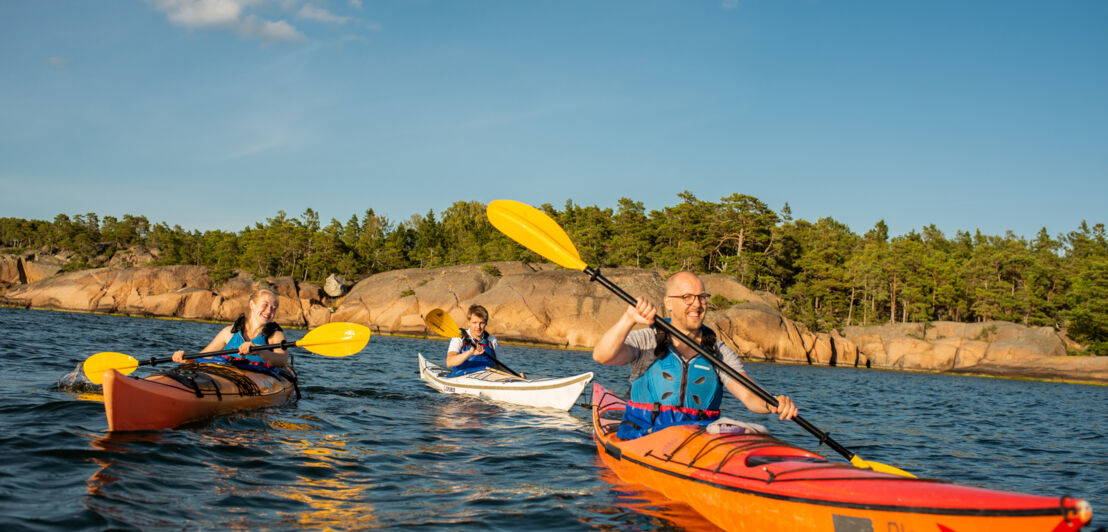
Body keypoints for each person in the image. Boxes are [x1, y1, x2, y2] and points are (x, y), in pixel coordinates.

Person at [592, 271, 798, 440]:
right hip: (643, 436)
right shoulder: (648, 339)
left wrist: (771, 402)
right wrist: (628, 319)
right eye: (687, 297)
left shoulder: (718, 351)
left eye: (701, 297)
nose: (697, 304)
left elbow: (747, 394)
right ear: (668, 303)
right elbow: (603, 356)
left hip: (698, 439)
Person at [172, 287, 290, 369]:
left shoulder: (275, 335)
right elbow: (202, 357)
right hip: (227, 374)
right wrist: (186, 358)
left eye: (274, 307)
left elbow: (282, 361)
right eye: (265, 305)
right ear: (252, 305)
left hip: (260, 378)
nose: (269, 311)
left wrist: (259, 351)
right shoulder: (228, 333)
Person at [445, 304, 520, 377]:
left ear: (486, 323)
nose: (478, 327)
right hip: (461, 376)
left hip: (486, 377)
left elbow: (499, 366)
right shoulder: (459, 337)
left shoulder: (491, 340)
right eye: (474, 323)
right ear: (468, 323)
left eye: (481, 323)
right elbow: (449, 362)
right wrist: (470, 352)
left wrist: (515, 377)